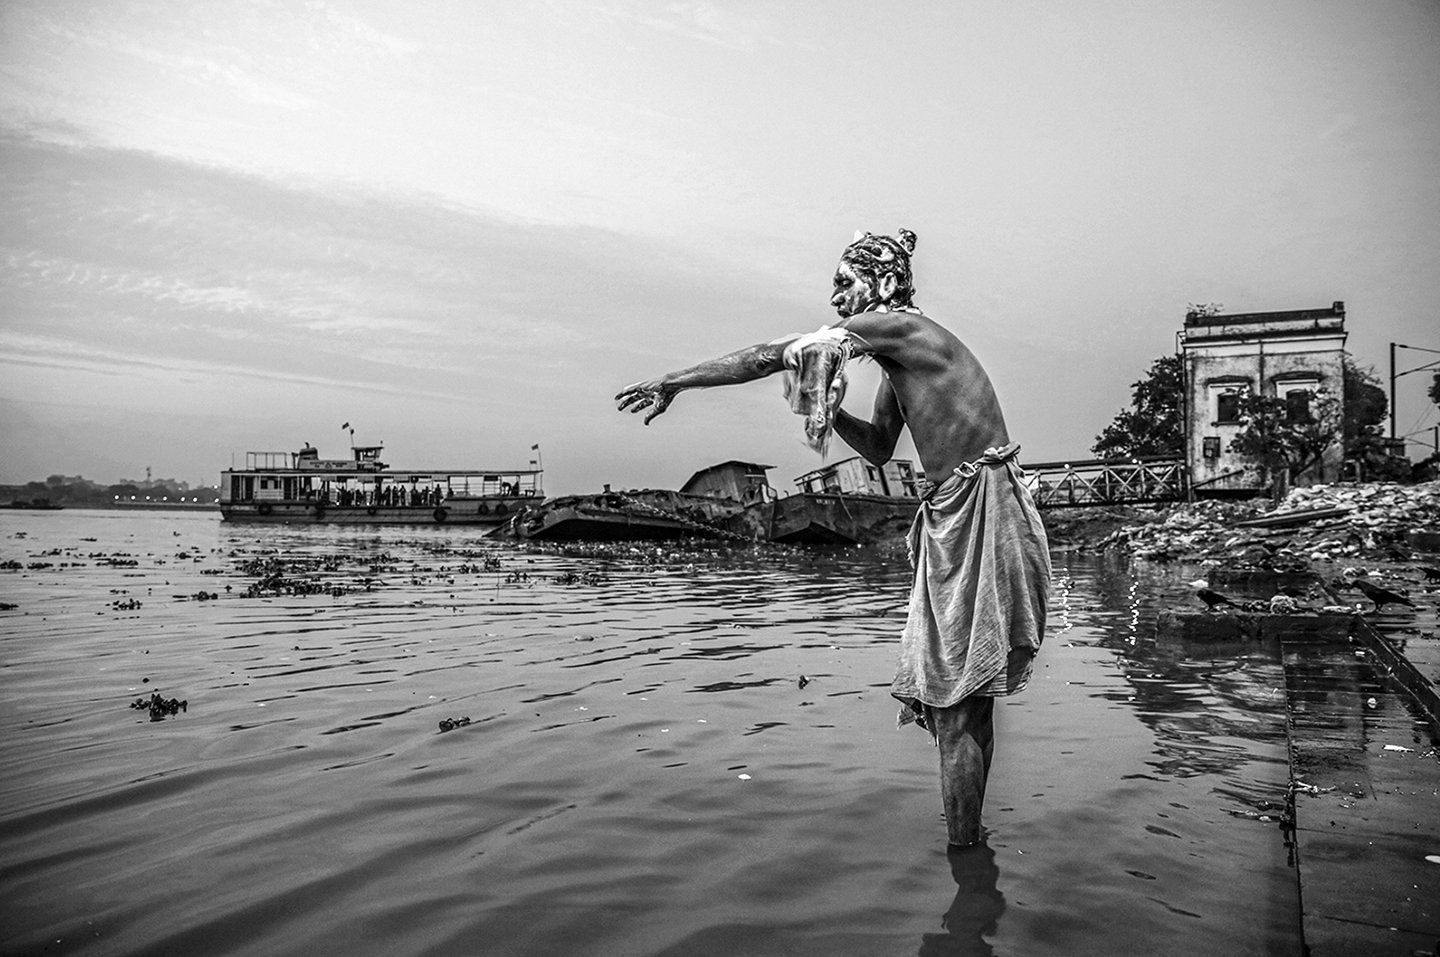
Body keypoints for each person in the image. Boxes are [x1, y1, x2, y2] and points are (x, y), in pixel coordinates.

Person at [616, 228, 1050, 846]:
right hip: (964, 509)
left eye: (844, 283)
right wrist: (816, 408)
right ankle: (973, 860)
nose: (835, 297)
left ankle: (963, 864)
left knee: (956, 703)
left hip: (977, 507)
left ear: (883, 285)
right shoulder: (901, 361)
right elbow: (877, 447)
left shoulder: (900, 327)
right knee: (967, 700)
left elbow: (773, 351)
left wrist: (678, 380)